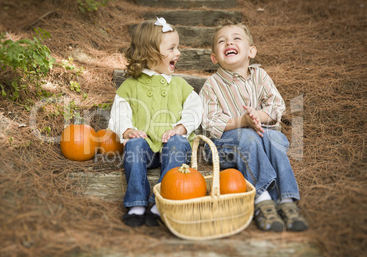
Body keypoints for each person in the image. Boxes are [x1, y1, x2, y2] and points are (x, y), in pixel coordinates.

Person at [199, 22, 308, 232]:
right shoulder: (211, 85)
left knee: (274, 139)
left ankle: (287, 202)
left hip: (262, 139)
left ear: (251, 51)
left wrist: (258, 116)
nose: (229, 42)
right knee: (247, 136)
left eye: (236, 38)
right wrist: (243, 122)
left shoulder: (261, 76)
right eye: (222, 41)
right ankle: (263, 201)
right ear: (215, 58)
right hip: (226, 147)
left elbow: (277, 106)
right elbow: (211, 123)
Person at [108, 18, 203, 227]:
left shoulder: (180, 85)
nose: (178, 53)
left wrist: (182, 127)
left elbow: (195, 109)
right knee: (134, 146)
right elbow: (120, 112)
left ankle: (160, 202)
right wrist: (127, 130)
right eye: (171, 48)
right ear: (150, 53)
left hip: (173, 148)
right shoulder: (130, 87)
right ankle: (136, 203)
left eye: (177, 47)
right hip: (147, 149)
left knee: (178, 143)